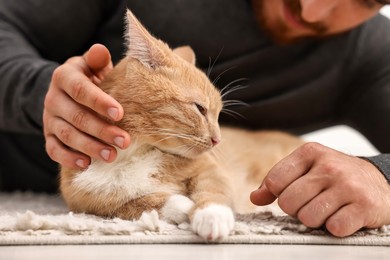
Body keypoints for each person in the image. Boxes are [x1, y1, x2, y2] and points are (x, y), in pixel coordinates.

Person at [1, 0, 390, 237]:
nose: (312, 8)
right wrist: (39, 92)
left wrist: (382, 176)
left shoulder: (371, 53)